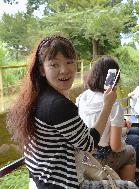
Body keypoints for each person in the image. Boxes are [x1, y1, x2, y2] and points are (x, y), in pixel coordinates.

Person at [6, 35, 117, 189]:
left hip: (41, 179)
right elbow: (89, 144)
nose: (64, 70)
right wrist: (107, 105)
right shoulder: (58, 105)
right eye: (54, 64)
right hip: (62, 183)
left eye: (69, 62)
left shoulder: (37, 96)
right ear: (42, 70)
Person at [76, 56, 136, 181]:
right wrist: (124, 144)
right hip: (100, 159)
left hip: (83, 158)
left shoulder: (82, 97)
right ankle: (125, 184)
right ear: (115, 79)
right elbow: (115, 146)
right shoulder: (113, 103)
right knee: (131, 151)